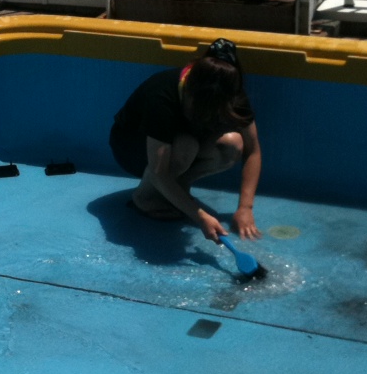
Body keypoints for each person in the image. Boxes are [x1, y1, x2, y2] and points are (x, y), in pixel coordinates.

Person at [109, 38, 262, 242]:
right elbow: (159, 172)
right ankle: (144, 197)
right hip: (132, 149)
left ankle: (176, 191)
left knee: (232, 145)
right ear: (189, 88)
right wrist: (199, 216)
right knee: (186, 147)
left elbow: (252, 151)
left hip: (179, 147)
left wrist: (245, 207)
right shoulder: (162, 96)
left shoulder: (228, 91)